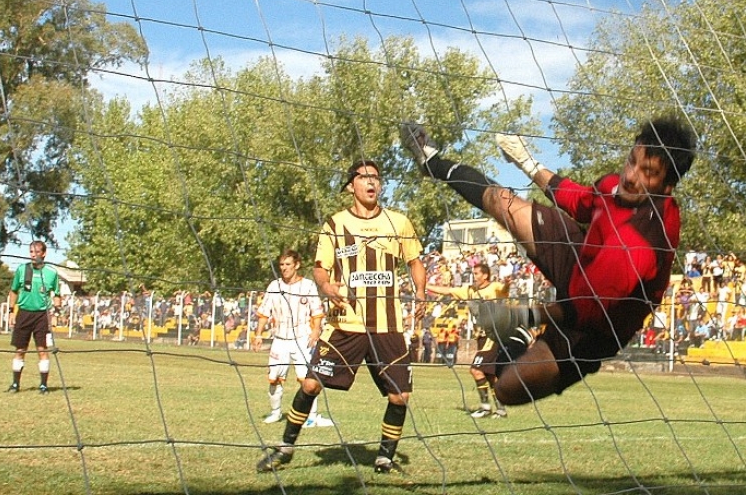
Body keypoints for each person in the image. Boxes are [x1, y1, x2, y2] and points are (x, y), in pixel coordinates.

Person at [401, 115, 695, 405]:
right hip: (578, 259)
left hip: (595, 327)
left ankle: (518, 337)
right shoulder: (615, 187)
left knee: (507, 388)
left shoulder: (641, 243)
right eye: (632, 161)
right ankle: (432, 162)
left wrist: (520, 316)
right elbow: (579, 201)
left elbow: (584, 308)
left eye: (648, 172)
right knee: (500, 200)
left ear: (666, 187)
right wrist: (526, 162)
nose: (631, 176)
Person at [257, 159, 426, 476]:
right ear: (351, 186)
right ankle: (285, 449)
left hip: (387, 326)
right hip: (344, 324)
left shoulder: (399, 223)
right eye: (364, 177)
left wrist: (420, 291)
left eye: (376, 177)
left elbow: (415, 262)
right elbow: (320, 267)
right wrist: (325, 285)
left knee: (399, 396)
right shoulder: (334, 225)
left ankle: (385, 457)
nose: (371, 182)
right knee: (309, 384)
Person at [252, 250, 333, 428]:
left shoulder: (308, 286)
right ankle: (275, 413)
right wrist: (258, 334)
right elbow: (264, 312)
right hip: (280, 339)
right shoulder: (274, 286)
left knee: (307, 379)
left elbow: (317, 311)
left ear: (296, 265)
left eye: (288, 264)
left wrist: (315, 331)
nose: (284, 268)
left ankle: (311, 416)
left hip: (303, 338)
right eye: (282, 265)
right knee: (274, 378)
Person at [428, 262, 510, 418]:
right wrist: (426, 285)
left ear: (485, 275)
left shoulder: (494, 287)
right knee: (490, 375)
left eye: (477, 273)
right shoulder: (469, 290)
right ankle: (501, 410)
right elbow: (448, 291)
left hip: (493, 335)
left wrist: (507, 284)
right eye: (474, 273)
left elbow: (504, 291)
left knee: (476, 370)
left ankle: (485, 408)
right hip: (480, 335)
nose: (474, 276)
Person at [7, 241, 61, 394]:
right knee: (20, 349)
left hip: (42, 316)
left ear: (43, 253)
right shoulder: (22, 269)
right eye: (31, 251)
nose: (33, 254)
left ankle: (43, 385)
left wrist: (56, 314)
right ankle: (15, 384)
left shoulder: (51, 272)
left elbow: (57, 295)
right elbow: (14, 291)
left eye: (36, 251)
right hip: (24, 313)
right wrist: (12, 311)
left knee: (42, 350)